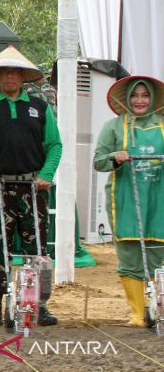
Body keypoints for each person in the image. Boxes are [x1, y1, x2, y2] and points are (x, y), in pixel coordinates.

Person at [0, 45, 61, 327]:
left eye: (15, 73)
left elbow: (55, 144)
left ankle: (39, 304)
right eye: (5, 73)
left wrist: (46, 173)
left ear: (23, 77)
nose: (10, 78)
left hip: (34, 187)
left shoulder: (39, 108)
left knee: (38, 248)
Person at [95, 76, 164, 327]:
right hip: (125, 200)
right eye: (135, 95)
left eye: (145, 95)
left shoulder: (163, 125)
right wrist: (116, 156)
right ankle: (137, 313)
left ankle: (159, 309)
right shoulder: (113, 127)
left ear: (153, 99)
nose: (140, 100)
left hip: (159, 201)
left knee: (159, 259)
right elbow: (99, 161)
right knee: (130, 258)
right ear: (126, 99)